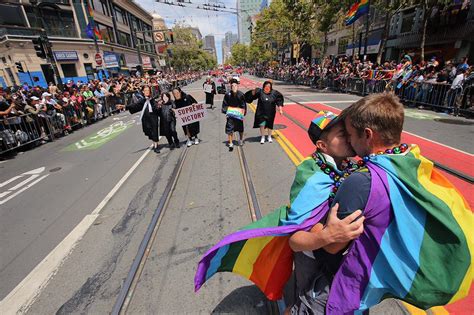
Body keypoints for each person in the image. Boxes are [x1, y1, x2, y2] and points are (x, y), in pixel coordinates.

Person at [290, 93, 472, 314]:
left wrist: (322, 232)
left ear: (367, 135)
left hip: (340, 283)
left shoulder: (361, 181)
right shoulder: (410, 159)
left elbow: (332, 245)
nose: (348, 140)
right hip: (373, 283)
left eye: (349, 134)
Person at [117, 85, 161, 153]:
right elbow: (134, 105)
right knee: (149, 132)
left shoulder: (153, 100)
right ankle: (155, 142)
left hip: (153, 118)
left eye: (148, 90)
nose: (147, 92)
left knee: (155, 130)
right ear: (143, 92)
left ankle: (156, 146)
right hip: (146, 119)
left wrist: (158, 106)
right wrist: (124, 106)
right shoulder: (142, 101)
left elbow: (157, 108)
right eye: (145, 90)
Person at [222, 79, 246, 151]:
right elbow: (225, 104)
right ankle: (231, 142)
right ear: (231, 86)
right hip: (231, 114)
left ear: (237, 86)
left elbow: (243, 105)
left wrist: (243, 113)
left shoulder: (241, 94)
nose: (234, 87)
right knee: (230, 128)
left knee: (240, 128)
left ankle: (241, 139)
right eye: (232, 85)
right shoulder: (227, 94)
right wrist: (226, 111)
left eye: (235, 85)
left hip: (238, 114)